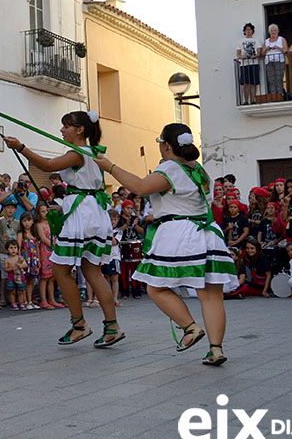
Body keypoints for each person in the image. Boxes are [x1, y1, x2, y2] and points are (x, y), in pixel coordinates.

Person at [96, 124, 235, 366]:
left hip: (180, 234)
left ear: (167, 145)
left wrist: (110, 167)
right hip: (208, 234)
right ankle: (216, 349)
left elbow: (139, 187)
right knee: (211, 296)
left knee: (155, 287)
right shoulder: (199, 170)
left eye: (160, 142)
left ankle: (190, 327)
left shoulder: (170, 168)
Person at [5, 111, 125, 348]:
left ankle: (79, 324)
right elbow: (85, 187)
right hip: (92, 212)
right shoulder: (94, 152)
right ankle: (112, 326)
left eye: (66, 126)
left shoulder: (77, 153)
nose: (62, 130)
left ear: (79, 130)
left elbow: (48, 165)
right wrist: (61, 209)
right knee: (93, 271)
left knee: (60, 270)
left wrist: (21, 147)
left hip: (83, 215)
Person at [260, 24, 288, 96]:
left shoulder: (281, 39)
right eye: (271, 31)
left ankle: (280, 94)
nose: (273, 32)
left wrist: (278, 48)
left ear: (278, 31)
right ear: (269, 32)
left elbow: (286, 50)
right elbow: (262, 53)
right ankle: (273, 95)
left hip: (279, 61)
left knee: (279, 78)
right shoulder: (266, 41)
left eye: (275, 30)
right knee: (271, 79)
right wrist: (266, 49)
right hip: (269, 62)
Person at [237, 23, 260, 104]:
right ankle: (246, 101)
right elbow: (238, 54)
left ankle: (253, 100)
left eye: (250, 29)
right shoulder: (240, 41)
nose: (248, 31)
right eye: (247, 29)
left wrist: (255, 55)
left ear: (252, 31)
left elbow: (259, 52)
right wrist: (241, 57)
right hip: (244, 64)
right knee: (245, 83)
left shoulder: (256, 41)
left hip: (254, 63)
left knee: (254, 83)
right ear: (244, 31)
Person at [3, 240, 27, 309]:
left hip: (20, 278)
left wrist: (21, 266)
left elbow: (25, 265)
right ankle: (13, 303)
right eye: (11, 248)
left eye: (15, 247)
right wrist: (11, 268)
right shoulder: (7, 260)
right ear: (7, 250)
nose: (13, 249)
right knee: (12, 291)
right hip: (11, 278)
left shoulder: (20, 258)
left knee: (20, 291)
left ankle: (21, 303)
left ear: (18, 249)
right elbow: (5, 269)